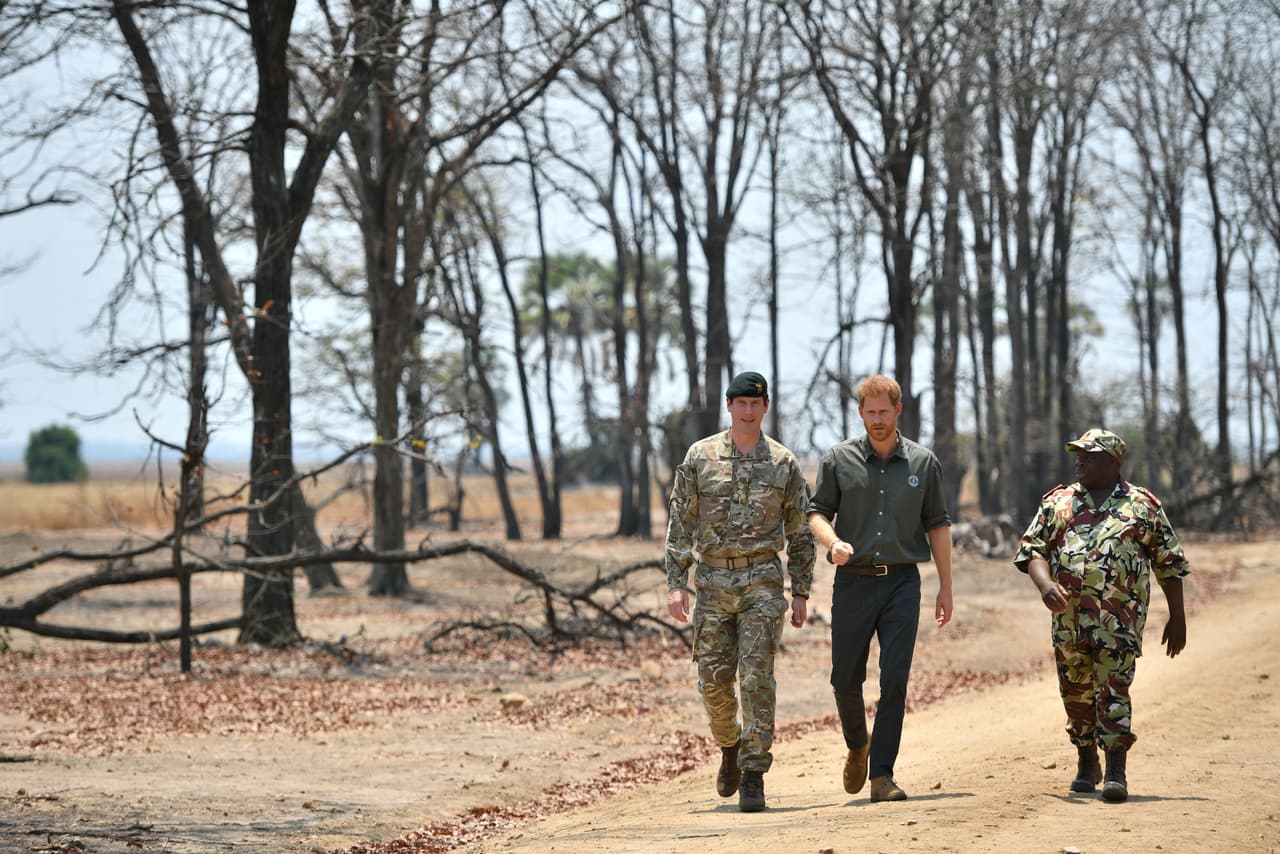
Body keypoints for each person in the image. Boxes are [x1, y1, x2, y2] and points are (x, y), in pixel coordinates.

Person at [664, 371, 815, 813]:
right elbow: (681, 522)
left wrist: (801, 590)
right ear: (729, 405)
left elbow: (801, 531)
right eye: (740, 403)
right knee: (712, 684)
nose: (748, 410)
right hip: (711, 583)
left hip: (763, 584)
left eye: (756, 403)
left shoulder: (784, 463)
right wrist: (676, 582)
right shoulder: (701, 456)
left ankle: (753, 773)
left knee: (755, 678)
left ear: (765, 406)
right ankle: (729, 745)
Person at [1013, 427, 1189, 803]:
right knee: (1075, 694)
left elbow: (1169, 564)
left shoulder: (1142, 506)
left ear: (1114, 461)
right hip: (1068, 622)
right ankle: (1085, 760)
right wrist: (1045, 586)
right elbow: (1033, 551)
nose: (1080, 461)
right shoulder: (1058, 503)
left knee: (1114, 690)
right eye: (1078, 454)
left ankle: (1116, 770)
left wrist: (1178, 617)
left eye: (1089, 456)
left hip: (1118, 624)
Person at [807, 374, 953, 803]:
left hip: (903, 585)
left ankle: (882, 775)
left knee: (895, 681)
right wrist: (832, 543)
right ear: (860, 413)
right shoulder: (838, 459)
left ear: (898, 411)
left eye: (883, 412)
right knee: (844, 680)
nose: (876, 420)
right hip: (852, 583)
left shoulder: (924, 464)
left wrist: (946, 586)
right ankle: (858, 745)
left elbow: (938, 525)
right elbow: (816, 514)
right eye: (869, 412)